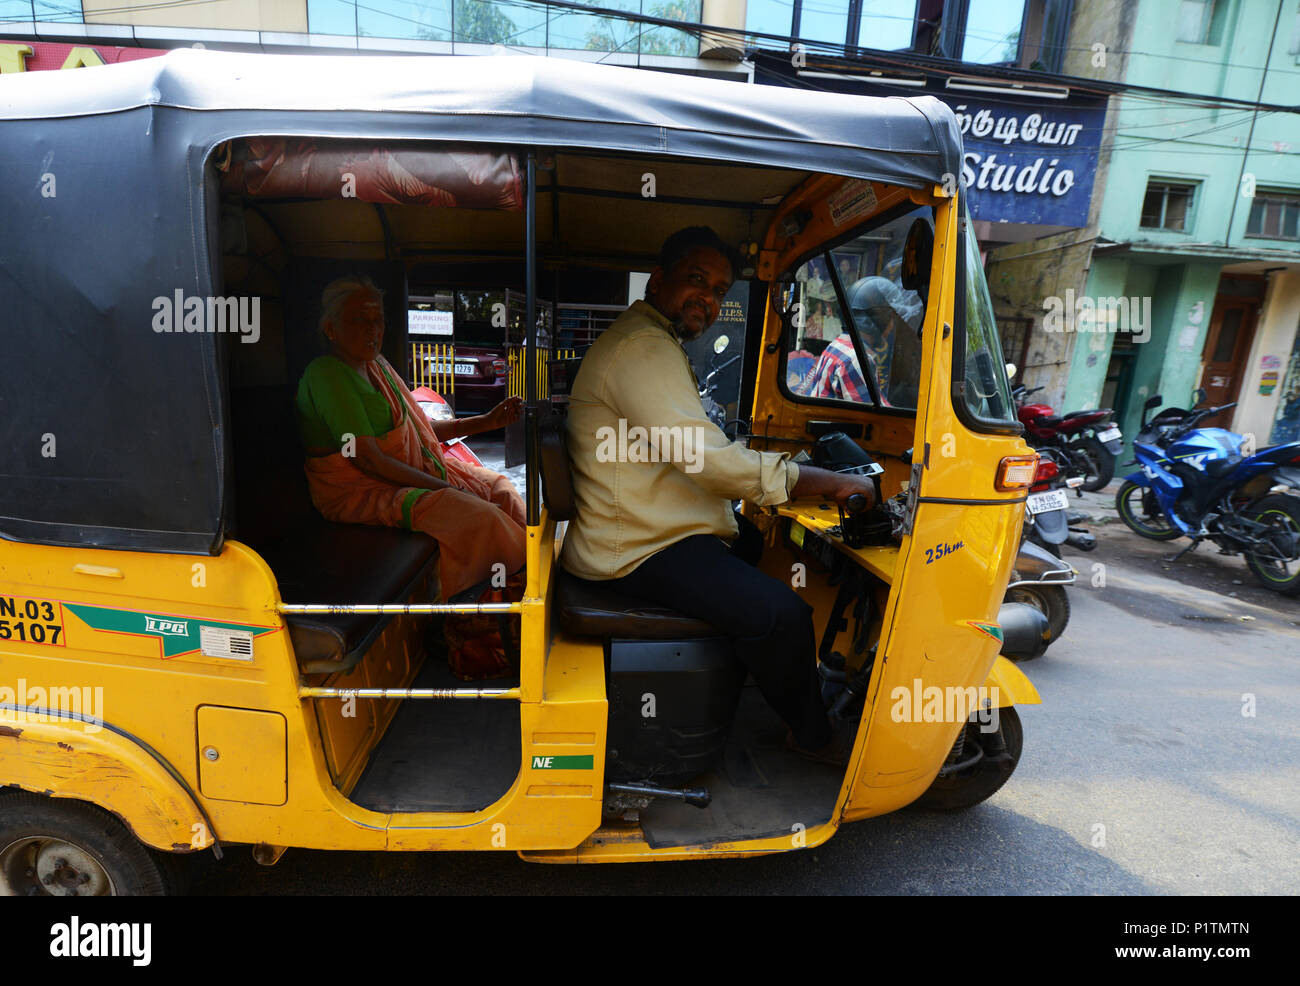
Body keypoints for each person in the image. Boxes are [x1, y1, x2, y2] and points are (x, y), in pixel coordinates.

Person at [560, 226, 877, 765]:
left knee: (757, 545)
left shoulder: (653, 340)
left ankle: (749, 674)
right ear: (659, 281)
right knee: (782, 614)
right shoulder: (642, 348)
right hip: (635, 548)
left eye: (719, 291)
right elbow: (705, 460)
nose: (707, 299)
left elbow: (689, 442)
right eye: (696, 281)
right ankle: (810, 735)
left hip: (642, 525)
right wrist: (834, 483)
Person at [295, 275, 527, 605]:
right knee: (482, 517)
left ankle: (523, 581)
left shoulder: (377, 366)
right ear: (331, 328)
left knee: (501, 489)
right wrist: (443, 488)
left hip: (398, 474)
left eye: (377, 320)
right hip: (361, 491)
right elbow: (369, 461)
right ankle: (484, 612)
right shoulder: (327, 375)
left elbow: (420, 431)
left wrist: (488, 421)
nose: (372, 330)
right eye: (359, 320)